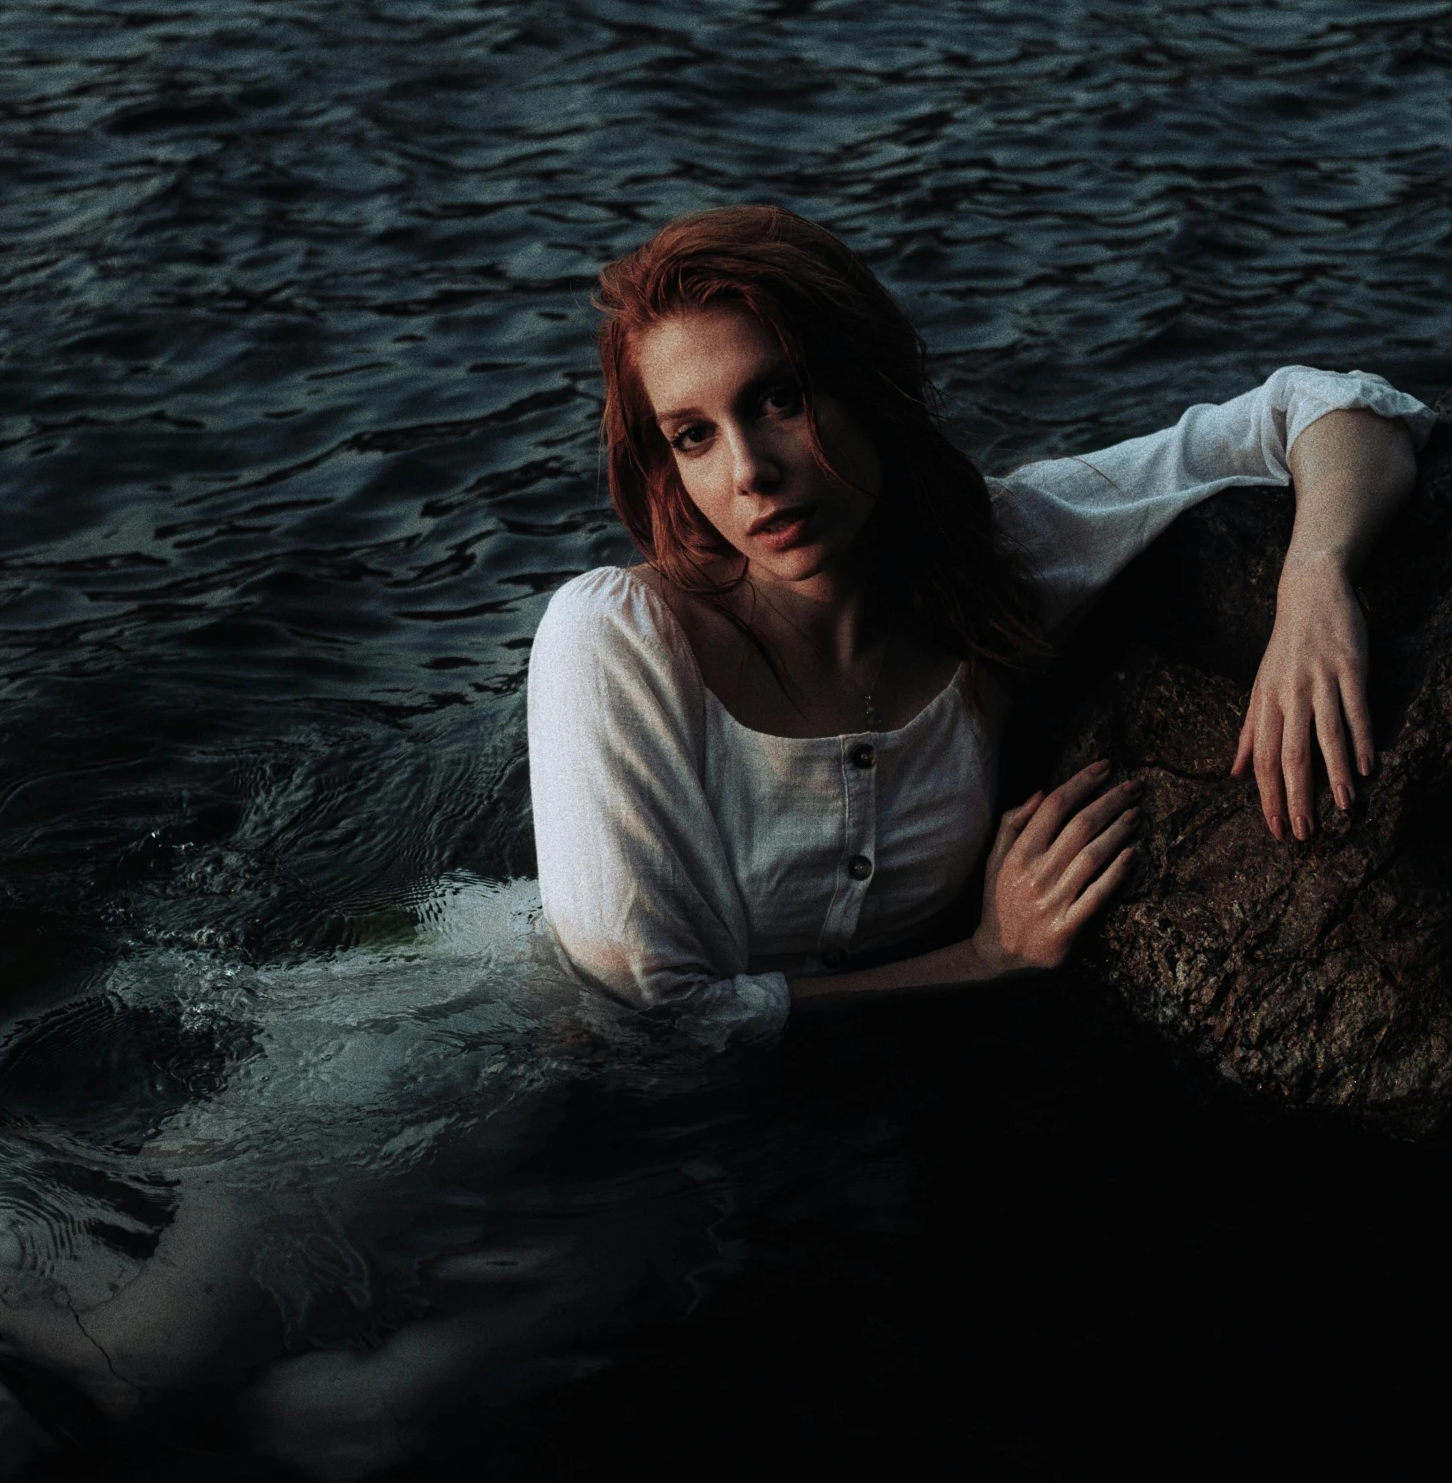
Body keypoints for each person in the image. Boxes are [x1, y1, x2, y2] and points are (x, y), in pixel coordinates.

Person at [528, 206, 1434, 1040]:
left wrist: (1314, 583)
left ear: (868, 385)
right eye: (694, 435)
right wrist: (982, 960)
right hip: (522, 1073)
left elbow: (1329, 406)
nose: (749, 471)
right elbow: (647, 1019)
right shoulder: (616, 641)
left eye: (780, 398)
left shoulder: (1003, 557)